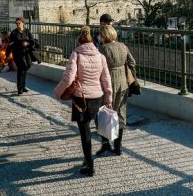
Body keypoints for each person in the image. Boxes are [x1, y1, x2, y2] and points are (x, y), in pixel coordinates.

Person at [54, 26, 112, 177]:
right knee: (97, 125)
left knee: (85, 132)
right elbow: (106, 79)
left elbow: (68, 78)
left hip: (81, 98)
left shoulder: (76, 54)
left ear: (79, 41)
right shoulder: (101, 56)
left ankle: (89, 164)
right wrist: (108, 97)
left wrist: (58, 92)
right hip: (97, 96)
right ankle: (93, 157)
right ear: (92, 41)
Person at [96, 24, 135, 156]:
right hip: (123, 83)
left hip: (107, 84)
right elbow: (132, 62)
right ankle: (118, 147)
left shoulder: (102, 49)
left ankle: (106, 144)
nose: (99, 37)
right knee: (120, 113)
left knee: (104, 114)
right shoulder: (123, 46)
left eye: (100, 35)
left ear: (103, 36)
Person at [6, 17, 35, 95]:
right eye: (16, 23)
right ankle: (20, 88)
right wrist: (7, 54)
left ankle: (23, 86)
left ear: (23, 23)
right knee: (21, 69)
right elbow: (10, 44)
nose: (17, 25)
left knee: (25, 68)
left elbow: (32, 41)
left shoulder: (27, 31)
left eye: (19, 23)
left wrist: (27, 43)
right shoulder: (14, 33)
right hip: (17, 54)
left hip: (26, 53)